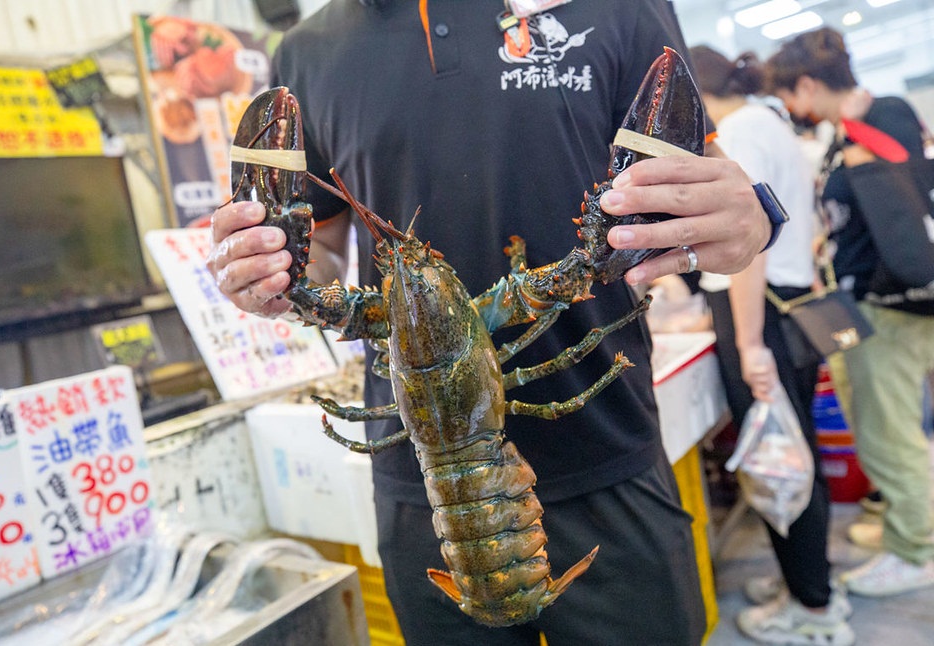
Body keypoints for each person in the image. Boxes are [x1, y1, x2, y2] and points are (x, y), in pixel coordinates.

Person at [209, 2, 774, 643]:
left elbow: (690, 194)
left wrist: (752, 222)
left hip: (609, 455)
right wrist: (270, 278)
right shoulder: (308, 49)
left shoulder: (617, 7)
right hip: (421, 491)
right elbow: (330, 253)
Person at [689, 45, 854, 645]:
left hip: (761, 316)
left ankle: (813, 608)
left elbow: (749, 243)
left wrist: (752, 344)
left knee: (782, 459)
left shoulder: (742, 131)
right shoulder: (771, 123)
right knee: (792, 450)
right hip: (787, 310)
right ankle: (807, 585)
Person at [767, 26, 934, 599]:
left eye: (791, 95)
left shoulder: (879, 116)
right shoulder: (848, 133)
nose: (791, 109)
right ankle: (906, 526)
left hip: (891, 305)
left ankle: (917, 550)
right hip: (873, 302)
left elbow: (900, 207)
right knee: (884, 427)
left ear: (809, 84)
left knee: (889, 434)